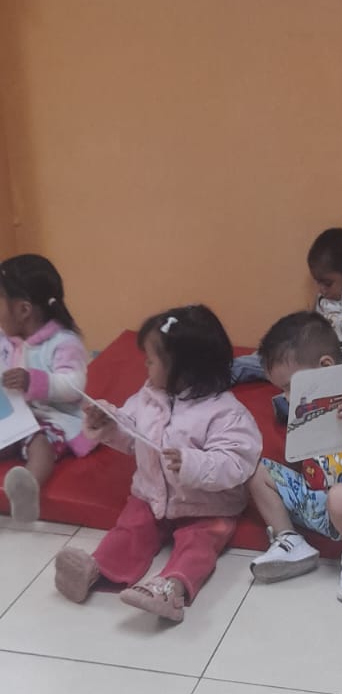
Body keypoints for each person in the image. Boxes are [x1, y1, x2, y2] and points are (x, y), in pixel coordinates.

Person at [54, 305, 262, 623]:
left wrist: (192, 463)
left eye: (151, 360)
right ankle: (96, 570)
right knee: (130, 528)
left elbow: (237, 461)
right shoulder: (148, 397)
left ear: (183, 368)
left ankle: (172, 587)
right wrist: (109, 424)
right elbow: (132, 436)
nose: (145, 365)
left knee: (198, 543)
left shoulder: (225, 411)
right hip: (151, 495)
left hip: (208, 505)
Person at [248, 311, 342, 603]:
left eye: (290, 387)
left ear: (325, 366)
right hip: (314, 501)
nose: (286, 396)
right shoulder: (299, 405)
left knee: (341, 496)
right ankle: (290, 539)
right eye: (282, 389)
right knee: (253, 468)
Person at [231, 226, 342, 401]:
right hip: (321, 356)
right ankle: (223, 373)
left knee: (341, 380)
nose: (321, 289)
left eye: (327, 283)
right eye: (318, 283)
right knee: (275, 358)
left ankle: (297, 403)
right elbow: (316, 331)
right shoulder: (324, 299)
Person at [0, 254, 92, 522]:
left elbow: (75, 385)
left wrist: (34, 381)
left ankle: (28, 486)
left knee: (40, 443)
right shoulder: (6, 339)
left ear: (23, 310)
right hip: (14, 416)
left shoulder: (63, 343)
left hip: (51, 416)